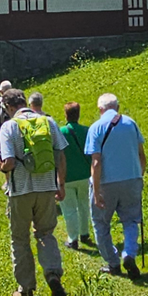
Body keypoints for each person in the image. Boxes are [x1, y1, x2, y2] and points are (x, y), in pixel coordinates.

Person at [0, 88, 69, 296]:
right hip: (46, 187)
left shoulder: (9, 126)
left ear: (9, 107)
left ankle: (26, 288)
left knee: (20, 238)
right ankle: (53, 274)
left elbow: (9, 162)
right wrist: (61, 184)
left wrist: (1, 167)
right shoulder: (47, 121)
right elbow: (61, 155)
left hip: (21, 191)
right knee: (46, 233)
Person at [85, 92, 148, 279]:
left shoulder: (95, 128)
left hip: (106, 182)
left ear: (100, 109)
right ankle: (129, 253)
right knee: (131, 220)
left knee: (100, 223)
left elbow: (96, 162)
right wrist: (139, 176)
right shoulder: (131, 123)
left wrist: (96, 191)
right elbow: (141, 154)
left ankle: (113, 263)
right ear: (117, 107)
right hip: (132, 179)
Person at [58, 102, 95, 250]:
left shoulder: (61, 132)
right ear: (78, 114)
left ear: (65, 115)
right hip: (85, 174)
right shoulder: (87, 131)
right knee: (84, 205)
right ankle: (85, 233)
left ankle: (73, 239)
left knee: (69, 209)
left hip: (67, 176)